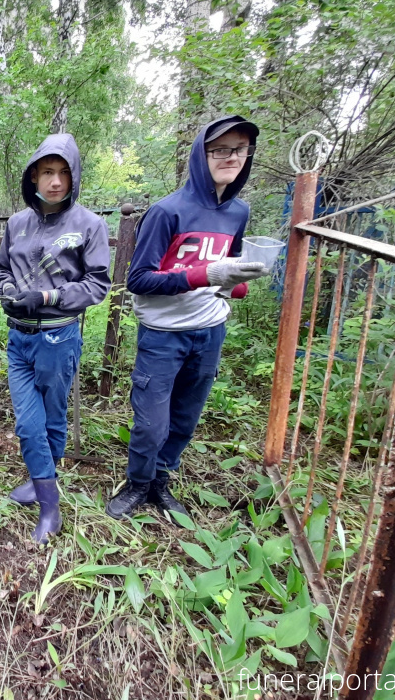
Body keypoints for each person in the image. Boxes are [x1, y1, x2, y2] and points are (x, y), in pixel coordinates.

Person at [106, 114, 270, 520]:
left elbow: (226, 272)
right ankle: (138, 484)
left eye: (239, 149)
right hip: (164, 334)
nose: (230, 157)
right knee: (150, 423)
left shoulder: (238, 213)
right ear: (202, 154)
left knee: (185, 417)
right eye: (219, 150)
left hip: (210, 330)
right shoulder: (167, 212)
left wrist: (237, 281)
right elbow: (140, 279)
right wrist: (208, 274)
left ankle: (161, 482)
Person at [0, 133, 112, 543]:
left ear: (74, 176)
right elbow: (1, 269)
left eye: (63, 172)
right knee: (29, 423)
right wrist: (9, 293)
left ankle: (45, 494)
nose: (55, 181)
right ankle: (47, 494)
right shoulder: (16, 224)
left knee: (53, 419)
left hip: (58, 338)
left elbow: (98, 285)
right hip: (18, 339)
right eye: (47, 172)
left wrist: (47, 296)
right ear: (34, 176)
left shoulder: (89, 225)